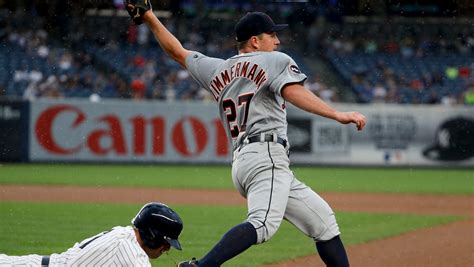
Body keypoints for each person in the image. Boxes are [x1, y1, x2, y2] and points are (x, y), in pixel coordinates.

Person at [125, 3, 367, 267]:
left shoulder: (217, 69)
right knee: (262, 224)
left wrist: (148, 16)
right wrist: (338, 114)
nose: (277, 40)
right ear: (255, 41)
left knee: (323, 223)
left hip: (244, 162)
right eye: (271, 35)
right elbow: (293, 92)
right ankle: (201, 266)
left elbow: (176, 51)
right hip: (266, 155)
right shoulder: (275, 60)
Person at [0, 202, 183, 266]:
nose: (167, 249)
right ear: (152, 235)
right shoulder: (130, 254)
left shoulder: (123, 235)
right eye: (166, 243)